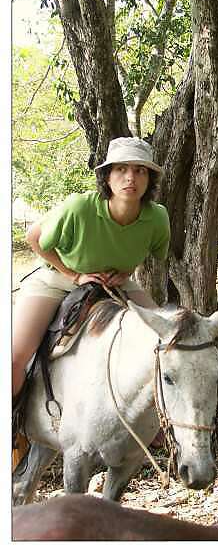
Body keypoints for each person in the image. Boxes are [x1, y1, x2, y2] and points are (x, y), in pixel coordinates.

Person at [12, 137, 170, 455]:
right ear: (107, 177)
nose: (130, 178)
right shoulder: (80, 206)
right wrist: (75, 275)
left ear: (149, 179)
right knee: (15, 356)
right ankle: (12, 425)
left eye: (140, 171)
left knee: (168, 338)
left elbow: (148, 253)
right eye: (121, 169)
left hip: (114, 283)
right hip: (60, 279)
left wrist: (126, 273)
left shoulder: (157, 217)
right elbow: (34, 238)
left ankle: (159, 424)